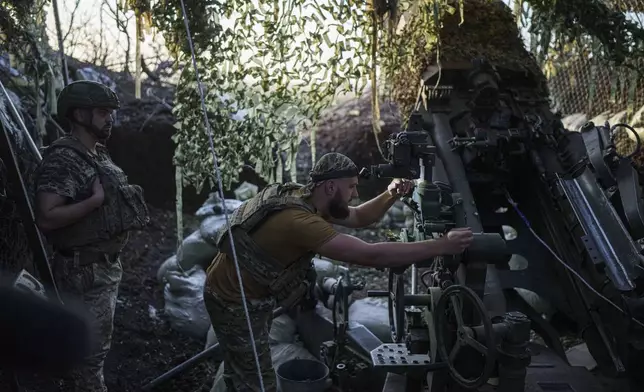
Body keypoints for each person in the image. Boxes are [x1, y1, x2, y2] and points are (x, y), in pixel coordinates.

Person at [203, 152, 474, 392]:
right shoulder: (302, 222)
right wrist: (442, 245)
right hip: (234, 301)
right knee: (258, 382)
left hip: (245, 292)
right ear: (331, 186)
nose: (354, 194)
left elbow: (357, 217)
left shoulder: (306, 197)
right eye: (351, 187)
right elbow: (371, 254)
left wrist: (391, 193)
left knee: (241, 368)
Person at [33, 80, 150, 392]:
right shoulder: (64, 158)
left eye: (110, 112)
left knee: (89, 357)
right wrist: (93, 202)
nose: (109, 118)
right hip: (83, 272)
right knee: (88, 361)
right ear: (79, 115)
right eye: (102, 112)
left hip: (104, 268)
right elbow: (46, 216)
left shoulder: (97, 153)